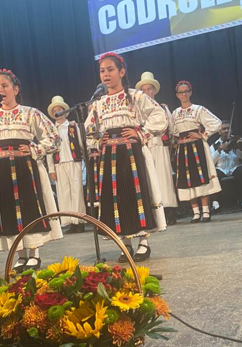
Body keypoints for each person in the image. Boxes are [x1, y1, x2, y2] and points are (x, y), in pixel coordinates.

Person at [0, 69, 62, 270]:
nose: (0, 90)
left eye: (4, 86)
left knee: (29, 206)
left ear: (15, 89)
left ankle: (34, 253)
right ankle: (20, 254)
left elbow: (54, 137)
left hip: (26, 167)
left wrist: (35, 149)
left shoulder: (30, 113)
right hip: (2, 170)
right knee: (9, 210)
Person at [85, 53, 167, 262]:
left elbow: (159, 115)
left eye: (110, 69)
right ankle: (125, 243)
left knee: (136, 194)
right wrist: (97, 140)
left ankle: (143, 242)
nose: (106, 74)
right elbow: (87, 129)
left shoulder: (135, 96)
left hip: (131, 152)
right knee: (116, 197)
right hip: (109, 155)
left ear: (121, 72)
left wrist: (141, 133)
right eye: (102, 71)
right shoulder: (98, 103)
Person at [171, 80, 222, 223]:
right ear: (177, 95)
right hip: (182, 149)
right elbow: (172, 131)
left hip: (197, 147)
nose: (184, 94)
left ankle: (205, 211)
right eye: (181, 92)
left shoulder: (198, 109)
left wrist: (203, 135)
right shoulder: (175, 113)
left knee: (200, 177)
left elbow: (216, 123)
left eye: (186, 91)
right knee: (188, 180)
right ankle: (195, 212)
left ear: (190, 93)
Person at [135, 72, 179, 225]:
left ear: (154, 91)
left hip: (160, 145)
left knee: (164, 177)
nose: (147, 92)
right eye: (144, 90)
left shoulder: (162, 107)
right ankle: (152, 212)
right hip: (144, 146)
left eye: (149, 89)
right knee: (148, 178)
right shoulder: (137, 110)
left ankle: (168, 210)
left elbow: (171, 127)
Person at [46, 96, 86, 234]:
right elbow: (49, 151)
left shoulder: (73, 126)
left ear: (65, 111)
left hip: (74, 162)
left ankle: (79, 221)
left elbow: (81, 143)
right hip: (59, 164)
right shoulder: (51, 130)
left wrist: (86, 158)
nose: (57, 112)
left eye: (60, 110)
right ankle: (69, 221)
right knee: (64, 193)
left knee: (77, 191)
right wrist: (51, 169)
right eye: (55, 111)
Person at [210, 120, 242, 208]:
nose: (226, 131)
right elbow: (211, 161)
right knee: (213, 174)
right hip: (221, 168)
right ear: (219, 132)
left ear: (231, 130)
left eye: (228, 128)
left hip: (235, 166)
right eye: (224, 129)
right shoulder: (214, 145)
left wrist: (240, 148)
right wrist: (219, 150)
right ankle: (215, 202)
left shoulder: (238, 140)